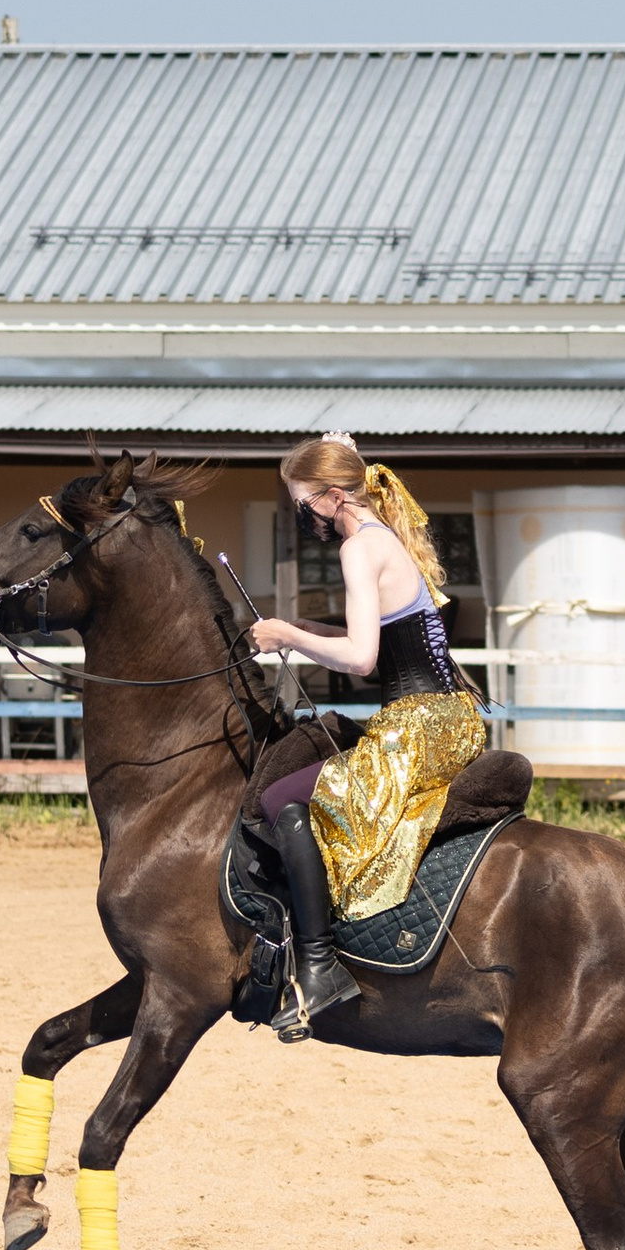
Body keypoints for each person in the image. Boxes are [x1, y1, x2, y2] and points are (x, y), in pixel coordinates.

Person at [247, 437, 486, 1040]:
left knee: (280, 800)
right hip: (449, 720)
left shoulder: (359, 549)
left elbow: (359, 659)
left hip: (414, 728)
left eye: (303, 504)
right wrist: (306, 627)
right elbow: (390, 638)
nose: (303, 517)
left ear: (332, 496)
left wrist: (286, 636)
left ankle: (322, 968)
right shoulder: (386, 538)